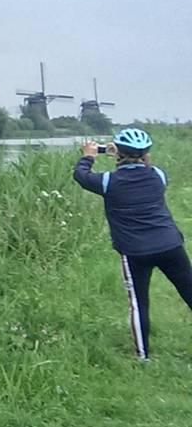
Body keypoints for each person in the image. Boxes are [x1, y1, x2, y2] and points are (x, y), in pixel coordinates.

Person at [74, 128, 191, 360]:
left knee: (139, 303)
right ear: (146, 154)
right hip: (170, 245)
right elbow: (140, 169)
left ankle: (143, 357)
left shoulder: (108, 181)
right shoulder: (159, 175)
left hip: (134, 251)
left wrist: (89, 155)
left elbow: (81, 175)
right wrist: (123, 155)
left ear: (118, 154)